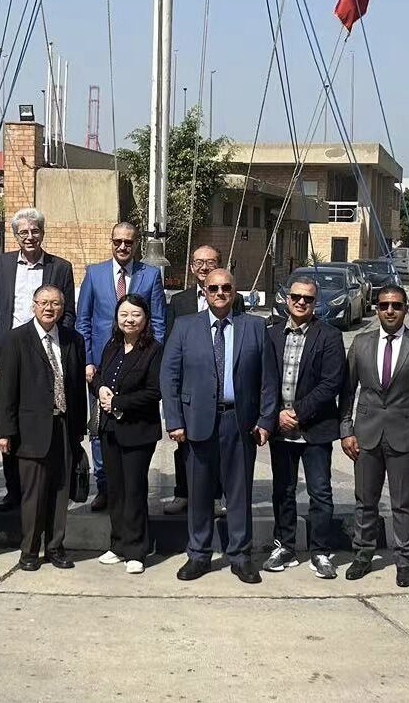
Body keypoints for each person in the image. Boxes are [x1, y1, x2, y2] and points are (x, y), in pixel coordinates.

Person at [161, 268, 279, 584]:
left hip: (239, 423)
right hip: (196, 422)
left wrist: (266, 420)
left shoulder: (254, 326)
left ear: (234, 290)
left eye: (226, 287)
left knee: (239, 494)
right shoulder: (185, 326)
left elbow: (269, 380)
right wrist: (174, 420)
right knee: (198, 494)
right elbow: (169, 376)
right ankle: (198, 555)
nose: (220, 293)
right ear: (205, 291)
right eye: (213, 288)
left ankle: (240, 556)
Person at [339, 284, 409, 587]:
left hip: (405, 437)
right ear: (376, 309)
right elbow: (347, 391)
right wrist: (346, 430)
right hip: (366, 435)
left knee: (403, 502)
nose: (390, 311)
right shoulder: (361, 343)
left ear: (405, 309)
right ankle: (363, 555)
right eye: (384, 305)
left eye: (396, 305)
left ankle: (405, 561)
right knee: (365, 500)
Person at [0, 207, 76, 512]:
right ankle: (14, 491)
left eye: (35, 230)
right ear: (15, 235)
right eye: (23, 232)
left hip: (47, 350)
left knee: (42, 420)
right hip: (11, 351)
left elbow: (69, 314)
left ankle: (46, 488)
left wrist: (58, 345)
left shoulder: (60, 267)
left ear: (42, 233)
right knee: (9, 419)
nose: (30, 236)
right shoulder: (1, 264)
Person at [0, 285, 87, 571]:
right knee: (33, 495)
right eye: (44, 302)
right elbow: (5, 389)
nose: (50, 308)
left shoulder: (73, 339)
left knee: (61, 490)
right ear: (33, 305)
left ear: (63, 307)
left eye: (56, 303)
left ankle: (55, 547)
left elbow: (77, 386)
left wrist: (79, 427)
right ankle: (30, 551)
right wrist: (4, 431)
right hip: (30, 429)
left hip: (64, 425)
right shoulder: (16, 339)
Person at [76, 221, 166, 512]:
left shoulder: (150, 275)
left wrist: (151, 358)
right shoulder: (94, 273)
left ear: (136, 243)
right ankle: (105, 485)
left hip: (138, 363)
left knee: (131, 420)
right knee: (100, 426)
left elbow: (158, 322)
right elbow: (83, 321)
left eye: (128, 241)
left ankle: (130, 486)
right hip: (102, 365)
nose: (123, 246)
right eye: (118, 241)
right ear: (111, 242)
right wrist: (88, 361)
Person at [262, 275, 347, 580]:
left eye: (308, 299)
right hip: (281, 429)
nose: (301, 302)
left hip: (315, 429)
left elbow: (331, 383)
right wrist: (276, 416)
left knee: (320, 493)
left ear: (315, 302)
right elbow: (264, 380)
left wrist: (296, 412)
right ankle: (284, 546)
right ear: (287, 299)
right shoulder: (271, 334)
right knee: (283, 490)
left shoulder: (330, 336)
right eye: (296, 297)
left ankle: (320, 551)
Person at [163, 245, 243, 515]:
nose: (204, 267)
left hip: (219, 382)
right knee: (184, 444)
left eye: (210, 262)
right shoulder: (179, 301)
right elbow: (171, 346)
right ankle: (183, 492)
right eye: (199, 262)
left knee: (216, 446)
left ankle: (217, 494)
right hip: (190, 386)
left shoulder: (232, 298)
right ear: (191, 267)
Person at [92, 294, 162, 575]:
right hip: (110, 429)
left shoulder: (154, 350)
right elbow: (99, 375)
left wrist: (118, 402)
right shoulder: (112, 345)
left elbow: (154, 392)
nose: (129, 320)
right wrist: (99, 388)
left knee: (134, 491)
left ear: (145, 319)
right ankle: (118, 544)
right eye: (124, 314)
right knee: (116, 490)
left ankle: (136, 550)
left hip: (138, 431)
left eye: (135, 315)